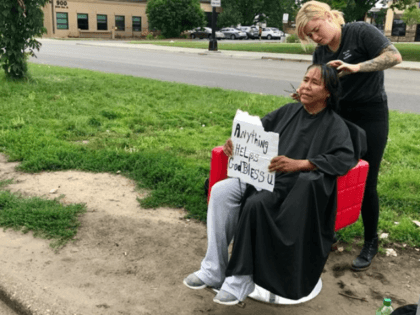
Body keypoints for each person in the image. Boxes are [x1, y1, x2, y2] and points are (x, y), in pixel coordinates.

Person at [183, 64, 367, 305]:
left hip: (292, 189)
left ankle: (240, 279)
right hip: (261, 177)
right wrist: (234, 144)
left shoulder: (334, 125)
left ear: (328, 92)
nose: (305, 86)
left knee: (255, 204)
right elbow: (255, 133)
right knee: (220, 191)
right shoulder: (287, 112)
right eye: (305, 79)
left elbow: (343, 158)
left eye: (314, 82)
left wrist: (300, 164)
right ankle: (214, 269)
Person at [295, 1, 402, 272]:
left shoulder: (359, 31)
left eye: (317, 30)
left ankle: (370, 242)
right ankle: (327, 233)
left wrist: (357, 67)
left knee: (366, 179)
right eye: (311, 36)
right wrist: (308, 91)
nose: (316, 38)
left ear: (329, 16)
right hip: (338, 116)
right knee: (329, 173)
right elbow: (321, 82)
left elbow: (394, 56)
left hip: (370, 115)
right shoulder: (320, 52)